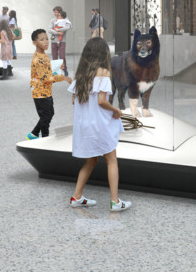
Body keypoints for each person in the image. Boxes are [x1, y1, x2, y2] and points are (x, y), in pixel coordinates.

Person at [67, 38, 130, 212]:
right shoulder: (103, 73)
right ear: (104, 54)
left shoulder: (81, 74)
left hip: (84, 126)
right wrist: (116, 110)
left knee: (91, 161)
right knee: (111, 161)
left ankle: (76, 197)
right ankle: (115, 201)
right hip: (100, 124)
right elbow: (102, 101)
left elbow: (74, 100)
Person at [27, 29, 70, 140]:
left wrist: (57, 68)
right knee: (46, 116)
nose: (46, 42)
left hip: (45, 91)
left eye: (47, 39)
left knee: (49, 113)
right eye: (42, 40)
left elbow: (47, 72)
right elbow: (45, 78)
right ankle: (44, 138)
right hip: (40, 92)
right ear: (34, 43)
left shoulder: (44, 55)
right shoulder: (38, 59)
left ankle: (34, 134)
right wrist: (63, 78)